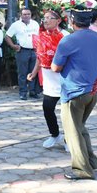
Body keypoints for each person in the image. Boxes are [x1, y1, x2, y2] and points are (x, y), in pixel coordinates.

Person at [51, 6, 97, 180]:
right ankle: (91, 161)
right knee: (80, 127)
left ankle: (82, 169)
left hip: (74, 91)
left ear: (72, 21)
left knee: (72, 132)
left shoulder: (68, 41)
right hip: (94, 91)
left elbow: (55, 67)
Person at [28, 9, 69, 150]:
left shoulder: (66, 36)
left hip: (64, 80)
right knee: (47, 109)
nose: (45, 21)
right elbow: (40, 58)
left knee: (67, 114)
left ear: (58, 20)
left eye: (49, 18)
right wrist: (34, 73)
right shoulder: (42, 36)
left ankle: (69, 141)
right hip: (49, 81)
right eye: (44, 18)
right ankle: (55, 134)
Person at [5, 8, 41, 101]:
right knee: (22, 73)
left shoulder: (35, 24)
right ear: (20, 15)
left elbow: (40, 36)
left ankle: (32, 91)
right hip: (22, 51)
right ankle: (23, 92)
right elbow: (7, 36)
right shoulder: (16, 25)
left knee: (33, 72)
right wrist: (13, 46)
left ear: (31, 15)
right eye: (24, 14)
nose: (26, 16)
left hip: (34, 50)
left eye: (28, 14)